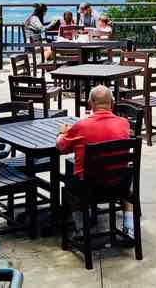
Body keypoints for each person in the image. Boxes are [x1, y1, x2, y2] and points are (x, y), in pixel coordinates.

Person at [56, 85, 135, 239]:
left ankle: (81, 228)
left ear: (90, 104)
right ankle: (129, 227)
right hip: (119, 184)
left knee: (70, 179)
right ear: (112, 104)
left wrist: (62, 133)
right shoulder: (124, 123)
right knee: (127, 176)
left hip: (89, 186)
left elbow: (62, 147)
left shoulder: (81, 126)